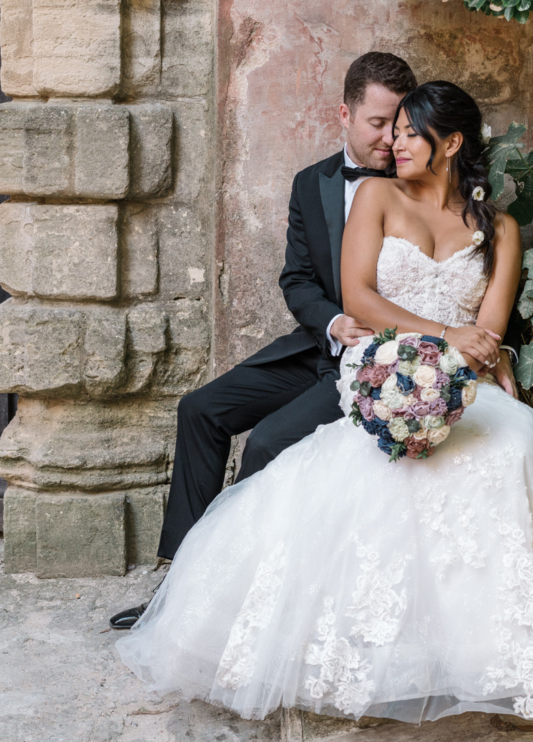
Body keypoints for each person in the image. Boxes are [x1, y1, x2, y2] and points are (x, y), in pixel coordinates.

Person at [115, 81, 533, 723]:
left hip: (459, 384)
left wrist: (474, 355)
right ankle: (194, 591)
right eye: (390, 128)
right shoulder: (376, 195)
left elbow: (490, 333)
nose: (394, 140)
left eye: (410, 131)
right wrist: (444, 336)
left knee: (509, 450)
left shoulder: (499, 228)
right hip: (381, 363)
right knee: (301, 448)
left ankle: (480, 656)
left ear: (450, 143)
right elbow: (359, 298)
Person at [110, 52, 432, 629]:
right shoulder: (312, 184)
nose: (389, 138)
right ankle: (179, 584)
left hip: (375, 364)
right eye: (376, 123)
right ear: (345, 113)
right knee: (201, 411)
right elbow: (299, 280)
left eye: (398, 123)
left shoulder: (419, 185)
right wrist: (333, 323)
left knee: (264, 445)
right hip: (317, 346)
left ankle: (231, 595)